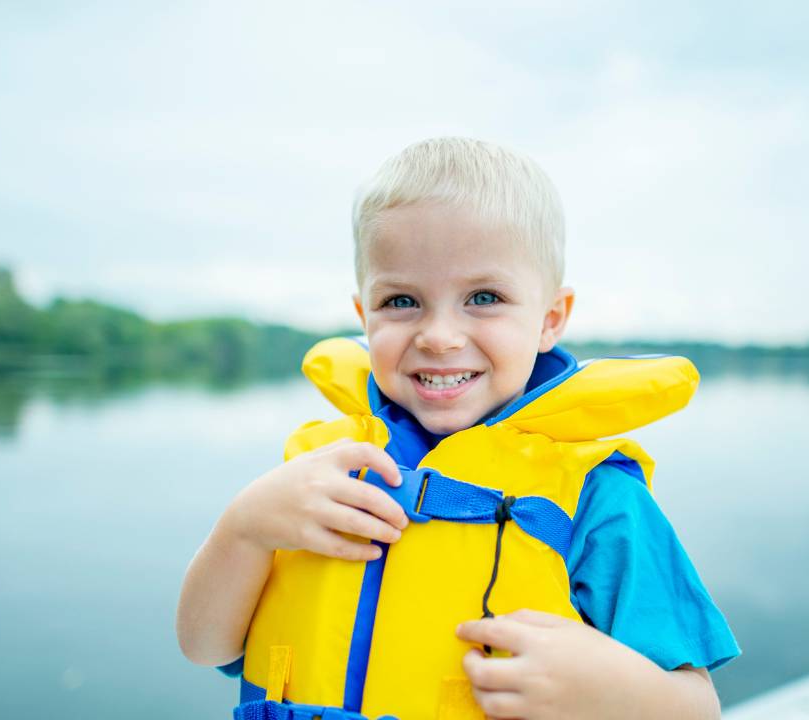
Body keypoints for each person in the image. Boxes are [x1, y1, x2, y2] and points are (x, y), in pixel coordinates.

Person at [177, 137, 739, 719]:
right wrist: (241, 530)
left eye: (484, 297)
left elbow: (698, 709)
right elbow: (204, 646)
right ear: (363, 317)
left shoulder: (600, 498)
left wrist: (612, 690)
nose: (439, 335)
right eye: (401, 301)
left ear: (549, 320)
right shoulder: (323, 471)